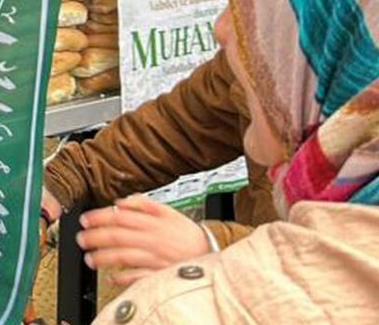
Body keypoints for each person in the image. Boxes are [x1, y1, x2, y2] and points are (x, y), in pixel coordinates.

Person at [89, 0, 379, 324]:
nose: (221, 27)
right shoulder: (300, 77)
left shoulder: (182, 313)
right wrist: (67, 177)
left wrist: (214, 253)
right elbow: (188, 119)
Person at [41, 51, 278, 286]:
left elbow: (302, 261)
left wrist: (214, 248)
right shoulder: (259, 45)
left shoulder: (282, 44)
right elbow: (181, 126)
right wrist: (68, 176)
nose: (220, 32)